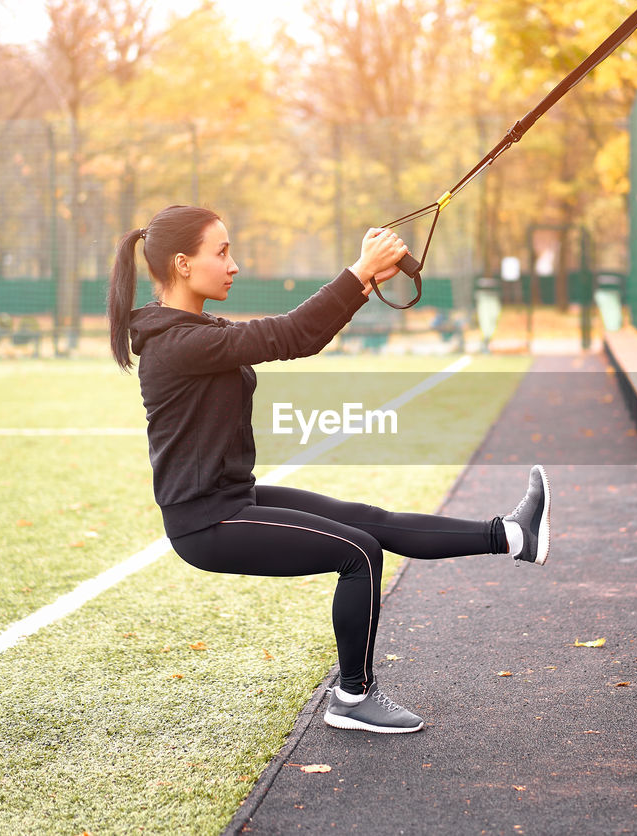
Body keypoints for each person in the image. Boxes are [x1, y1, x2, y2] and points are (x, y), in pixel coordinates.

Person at [107, 204, 551, 734]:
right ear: (182, 263)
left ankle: (511, 536)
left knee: (369, 521)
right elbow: (290, 335)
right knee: (358, 552)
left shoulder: (194, 331)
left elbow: (302, 336)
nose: (234, 264)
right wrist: (358, 272)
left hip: (233, 499)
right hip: (206, 523)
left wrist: (361, 283)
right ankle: (353, 695)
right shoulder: (179, 344)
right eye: (222, 252)